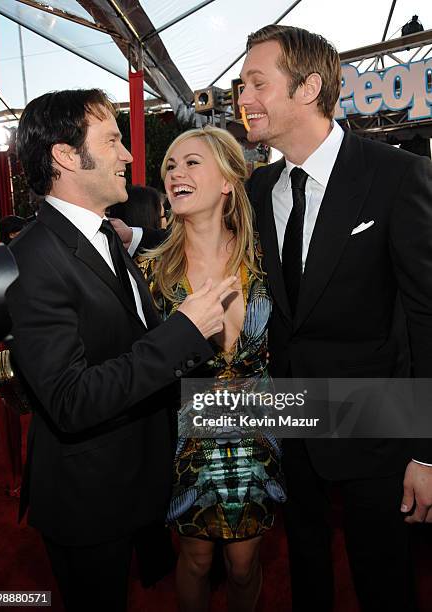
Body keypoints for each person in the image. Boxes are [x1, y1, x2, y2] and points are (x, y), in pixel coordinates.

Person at [5, 88, 236, 612]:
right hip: (86, 499)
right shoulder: (34, 261)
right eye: (112, 139)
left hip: (131, 480)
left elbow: (128, 341)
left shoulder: (102, 237)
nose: (129, 155)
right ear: (66, 156)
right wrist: (184, 331)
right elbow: (70, 398)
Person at [237, 24, 432, 612]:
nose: (241, 98)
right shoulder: (256, 188)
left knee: (383, 579)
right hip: (290, 423)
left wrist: (426, 452)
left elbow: (427, 320)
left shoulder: (394, 175)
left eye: (256, 83)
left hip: (378, 426)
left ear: (308, 87)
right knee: (306, 573)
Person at [137, 125, 286, 612]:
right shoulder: (152, 272)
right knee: (196, 560)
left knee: (244, 564)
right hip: (186, 437)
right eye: (170, 166)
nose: (175, 172)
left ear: (228, 180)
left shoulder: (268, 258)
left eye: (191, 162)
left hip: (256, 435)